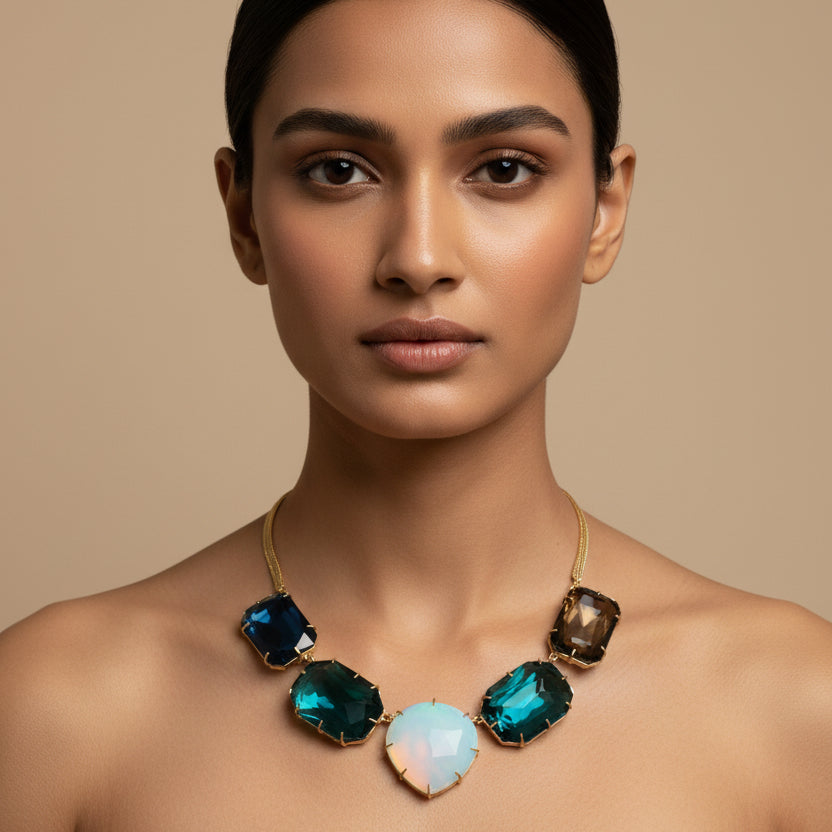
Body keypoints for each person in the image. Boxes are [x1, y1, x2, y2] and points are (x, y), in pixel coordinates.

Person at [1, 0, 830, 828]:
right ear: (243, 214)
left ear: (604, 212)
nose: (419, 258)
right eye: (337, 170)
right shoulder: (54, 713)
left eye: (503, 169)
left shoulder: (793, 710)